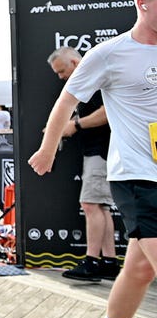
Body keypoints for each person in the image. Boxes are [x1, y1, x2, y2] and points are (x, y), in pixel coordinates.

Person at [28, 0, 157, 318]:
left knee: (139, 270)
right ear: (142, 4)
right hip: (137, 175)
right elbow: (66, 102)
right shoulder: (110, 54)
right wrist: (47, 149)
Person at [43, 46, 117, 282]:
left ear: (75, 63)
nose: (60, 77)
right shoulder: (92, 79)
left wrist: (74, 125)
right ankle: (108, 261)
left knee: (90, 205)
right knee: (99, 206)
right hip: (98, 150)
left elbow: (107, 112)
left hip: (102, 150)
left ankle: (92, 261)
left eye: (62, 71)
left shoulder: (95, 78)